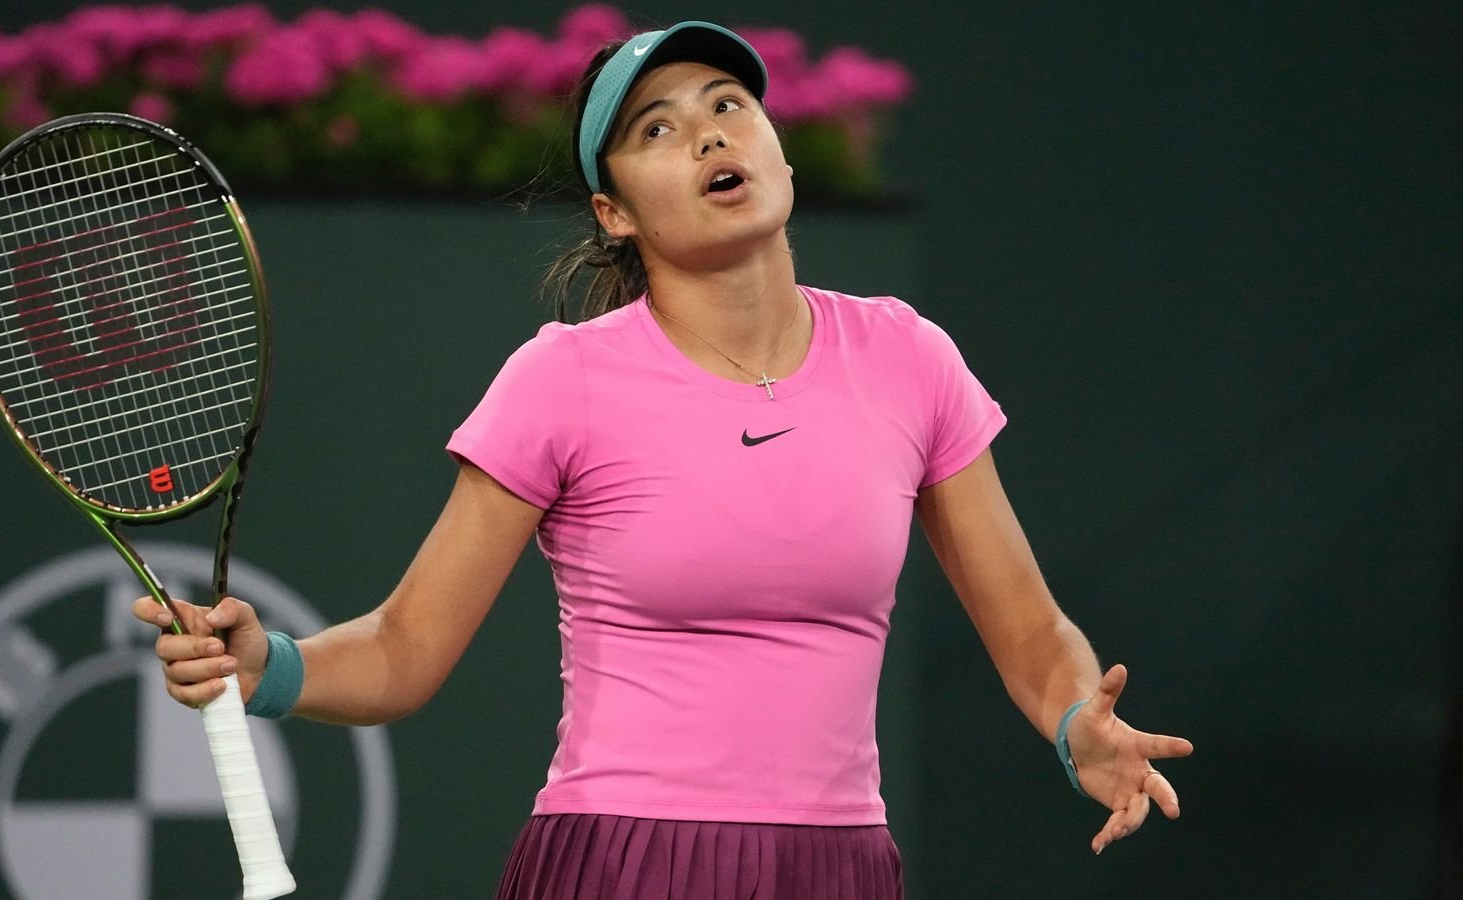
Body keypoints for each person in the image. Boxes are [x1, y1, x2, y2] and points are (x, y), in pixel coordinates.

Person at [137, 20, 1193, 899]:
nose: (704, 134)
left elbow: (1029, 632)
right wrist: (265, 667)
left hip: (843, 866)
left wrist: (1072, 723)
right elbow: (407, 648)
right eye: (658, 127)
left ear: (776, 149)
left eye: (728, 104)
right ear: (614, 211)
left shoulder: (908, 356)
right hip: (627, 859)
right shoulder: (563, 380)